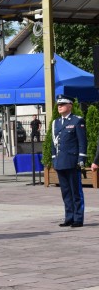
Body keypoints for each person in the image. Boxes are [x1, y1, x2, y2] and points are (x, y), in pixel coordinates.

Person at [52, 94, 87, 228]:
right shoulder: (56, 122)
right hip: (60, 162)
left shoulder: (77, 121)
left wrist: (81, 159)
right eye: (58, 105)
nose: (59, 107)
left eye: (62, 104)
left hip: (73, 161)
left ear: (70, 106)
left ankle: (78, 218)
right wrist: (54, 159)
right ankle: (69, 217)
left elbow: (82, 142)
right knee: (65, 192)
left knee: (76, 191)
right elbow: (53, 144)